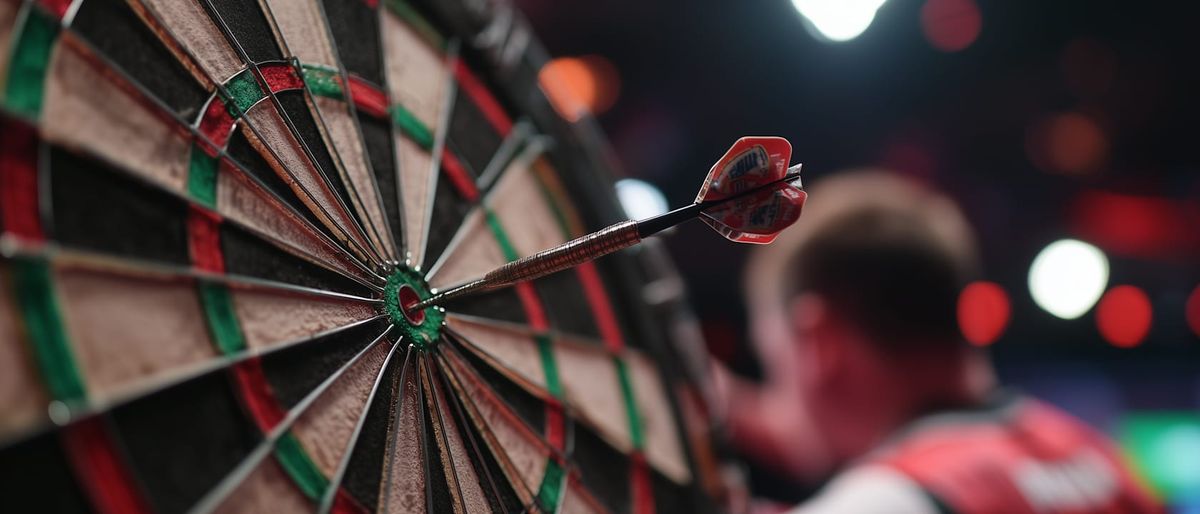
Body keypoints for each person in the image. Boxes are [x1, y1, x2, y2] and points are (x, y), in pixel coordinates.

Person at [714, 171, 1162, 514]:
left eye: (775, 362)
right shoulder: (1104, 463)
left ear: (819, 341)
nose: (779, 400)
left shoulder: (887, 499)